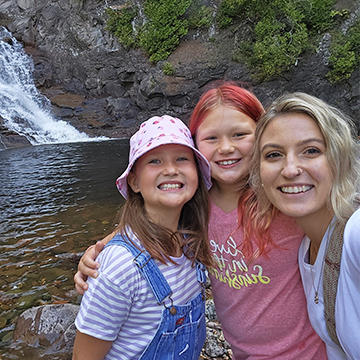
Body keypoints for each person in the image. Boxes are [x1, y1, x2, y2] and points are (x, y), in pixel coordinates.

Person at [74, 83, 327, 359]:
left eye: (240, 134)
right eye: (211, 139)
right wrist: (102, 249)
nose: (226, 148)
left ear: (263, 137)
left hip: (308, 351)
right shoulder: (196, 207)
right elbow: (149, 224)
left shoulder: (284, 197)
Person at [72, 115, 214, 360]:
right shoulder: (120, 267)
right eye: (155, 161)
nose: (171, 169)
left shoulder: (193, 241)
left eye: (182, 159)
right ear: (134, 182)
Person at [250, 92, 360, 359]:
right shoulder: (306, 249)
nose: (290, 169)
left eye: (311, 151)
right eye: (274, 154)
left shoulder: (355, 233)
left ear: (339, 158)